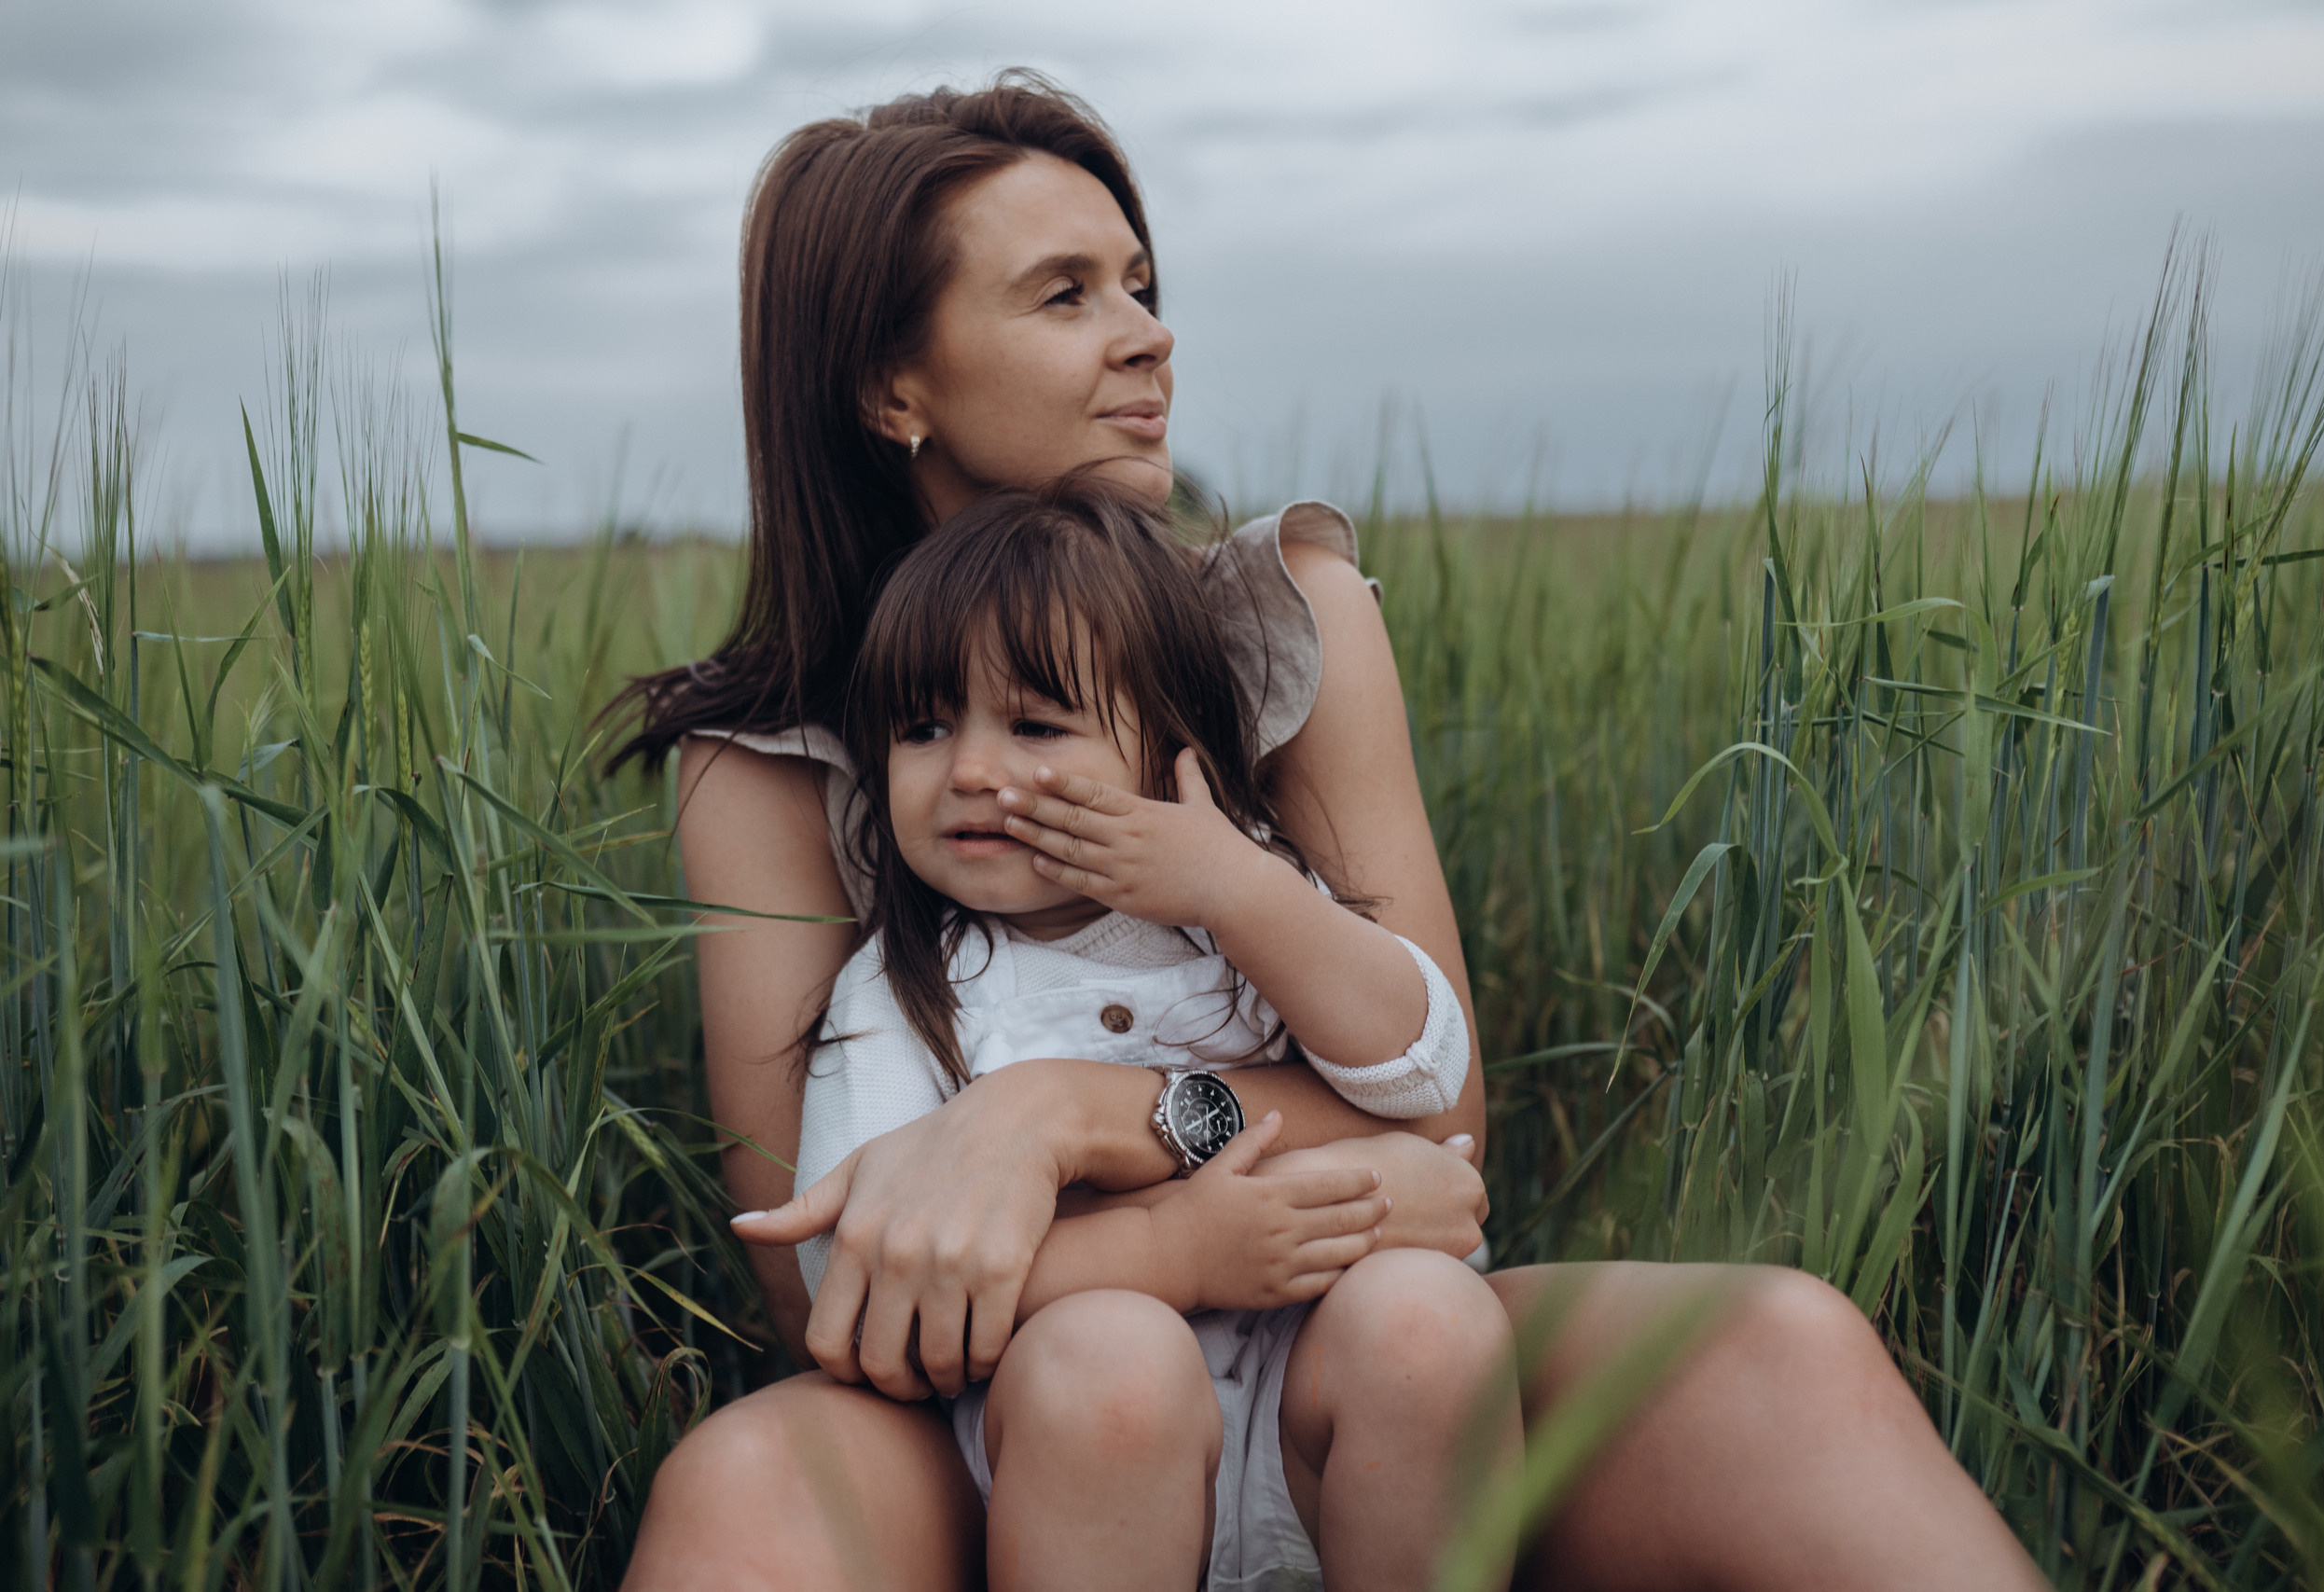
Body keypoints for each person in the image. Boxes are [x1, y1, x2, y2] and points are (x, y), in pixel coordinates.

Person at [616, 72, 2043, 1592]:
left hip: (1335, 1353)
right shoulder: (760, 756)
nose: (1148, 335)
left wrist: (1057, 1116)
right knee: (745, 1490)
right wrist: (1189, 1223)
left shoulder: (1283, 617)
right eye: (1065, 294)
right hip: (999, 1409)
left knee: (1778, 1344)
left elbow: (1435, 1118)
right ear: (892, 385)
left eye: (1142, 285)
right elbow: (826, 1284)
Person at [744, 478, 1515, 1590]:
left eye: (1035, 725)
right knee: (1112, 1355)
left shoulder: (1246, 915)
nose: (970, 770)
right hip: (1080, 1467)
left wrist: (1240, 890)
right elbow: (860, 1278)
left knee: (1430, 1321)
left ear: (1167, 750)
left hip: (1305, 1433)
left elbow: (1422, 1069)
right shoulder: (900, 995)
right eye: (922, 728)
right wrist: (1171, 1251)